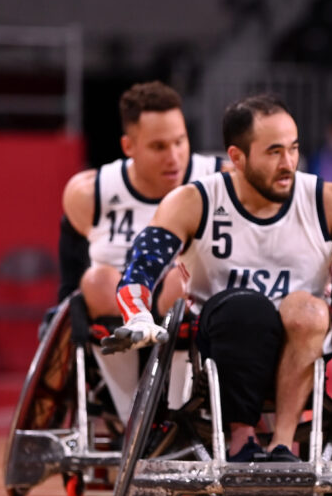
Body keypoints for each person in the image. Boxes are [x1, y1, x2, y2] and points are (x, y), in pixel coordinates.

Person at [102, 93, 332, 462]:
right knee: (248, 309)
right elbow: (139, 270)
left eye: (293, 148)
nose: (288, 163)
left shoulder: (327, 200)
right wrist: (138, 315)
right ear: (237, 157)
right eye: (274, 152)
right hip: (222, 337)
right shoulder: (193, 201)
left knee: (309, 310)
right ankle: (242, 438)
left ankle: (283, 443)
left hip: (302, 338)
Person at [52, 81, 226, 421]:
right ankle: (131, 415)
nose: (173, 157)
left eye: (180, 141)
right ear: (128, 146)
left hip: (191, 317)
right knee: (97, 280)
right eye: (159, 146)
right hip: (117, 316)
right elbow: (70, 271)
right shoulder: (90, 192)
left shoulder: (219, 179)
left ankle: (178, 415)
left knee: (183, 279)